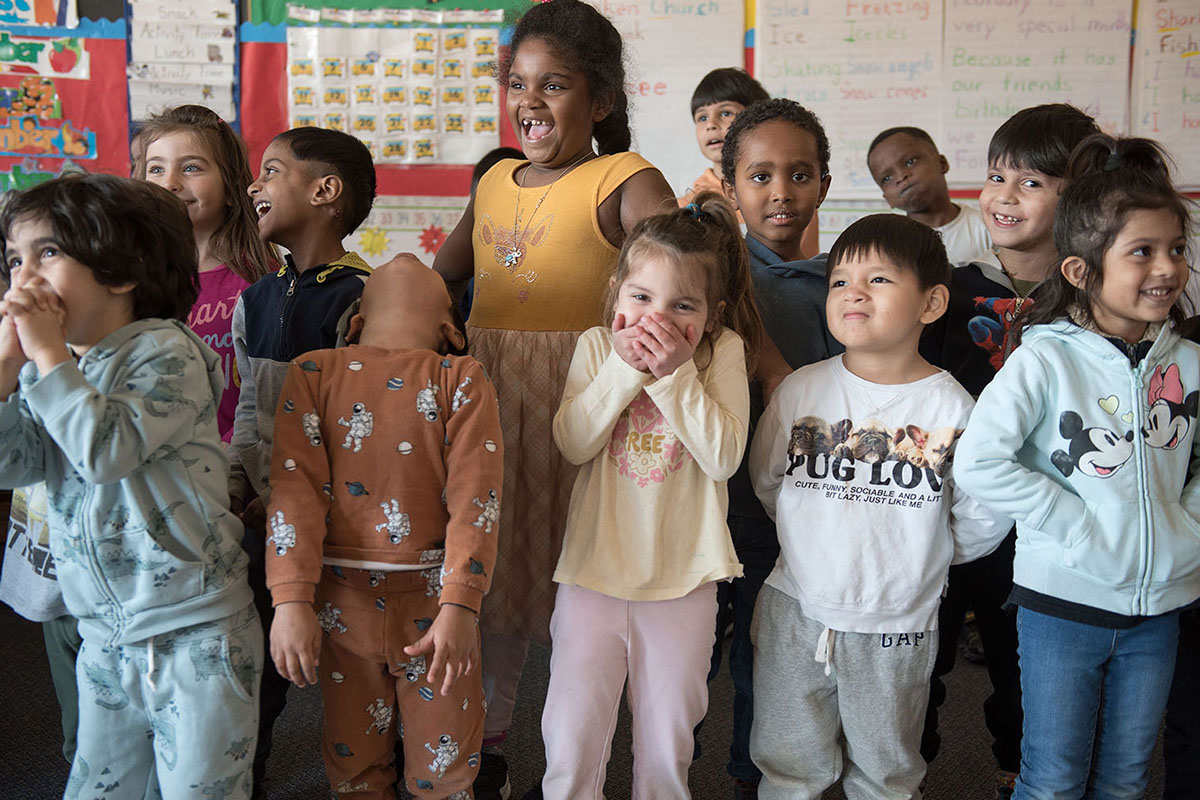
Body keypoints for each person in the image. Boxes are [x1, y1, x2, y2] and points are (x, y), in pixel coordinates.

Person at [424, 1, 676, 793]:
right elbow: (445, 277)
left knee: (585, 587)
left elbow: (685, 271)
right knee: (490, 578)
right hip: (492, 403)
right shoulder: (496, 179)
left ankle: (594, 754)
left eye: (554, 85)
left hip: (586, 405)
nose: (529, 101)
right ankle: (487, 746)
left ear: (599, 100)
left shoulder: (624, 178)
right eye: (518, 83)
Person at [955, 133, 1199, 800]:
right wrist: (1076, 525)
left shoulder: (1187, 361)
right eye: (1142, 252)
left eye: (1176, 249)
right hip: (1062, 604)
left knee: (1125, 778)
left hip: (1160, 609)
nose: (1168, 268)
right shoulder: (1044, 358)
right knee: (1055, 778)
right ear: (1081, 271)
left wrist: (1187, 528)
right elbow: (980, 461)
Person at [0, 174, 260, 799]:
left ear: (121, 274)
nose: (23, 278)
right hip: (105, 634)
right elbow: (15, 462)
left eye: (48, 254)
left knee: (199, 791)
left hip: (196, 634)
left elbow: (104, 449)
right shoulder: (56, 369)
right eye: (14, 259)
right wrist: (8, 371)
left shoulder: (166, 352)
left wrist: (45, 359)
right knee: (99, 788)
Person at [749, 213, 1011, 799]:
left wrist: (924, 556)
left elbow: (982, 514)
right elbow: (770, 482)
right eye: (840, 281)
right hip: (797, 606)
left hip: (898, 621)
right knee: (790, 764)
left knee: (886, 770)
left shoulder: (955, 409)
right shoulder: (801, 390)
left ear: (932, 302)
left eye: (879, 280)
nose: (853, 294)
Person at [542, 192, 763, 799]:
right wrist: (624, 369)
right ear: (617, 293)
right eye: (641, 298)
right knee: (570, 739)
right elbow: (574, 442)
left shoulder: (722, 353)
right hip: (592, 575)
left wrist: (673, 374)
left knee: (668, 749)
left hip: (685, 583)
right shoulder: (595, 347)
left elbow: (722, 455)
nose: (657, 320)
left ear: (712, 315)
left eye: (682, 306)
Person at [264, 257, 502, 800]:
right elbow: (478, 499)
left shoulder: (319, 372)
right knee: (432, 770)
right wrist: (291, 601)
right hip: (414, 606)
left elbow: (293, 495)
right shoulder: (458, 376)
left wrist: (291, 601)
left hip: (412, 605)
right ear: (450, 328)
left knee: (362, 770)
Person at [917, 103, 1100, 799]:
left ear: (1075, 197)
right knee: (921, 658)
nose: (1002, 196)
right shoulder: (951, 287)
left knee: (1023, 665)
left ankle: (1017, 771)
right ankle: (903, 772)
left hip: (1042, 519)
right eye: (996, 176)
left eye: (1030, 183)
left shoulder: (1087, 301)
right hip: (945, 508)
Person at [229, 125, 376, 798]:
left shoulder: (362, 299)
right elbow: (251, 416)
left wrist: (311, 499)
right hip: (267, 524)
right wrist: (240, 484)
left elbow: (364, 425)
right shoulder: (255, 300)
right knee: (257, 660)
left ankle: (376, 771)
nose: (254, 184)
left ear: (324, 191)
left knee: (361, 661)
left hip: (344, 527)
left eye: (271, 170)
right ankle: (244, 770)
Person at [704, 96, 838, 799]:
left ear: (824, 180)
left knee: (772, 664)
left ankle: (750, 782)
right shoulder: (710, 275)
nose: (781, 192)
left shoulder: (844, 287)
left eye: (799, 173)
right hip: (700, 514)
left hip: (790, 522)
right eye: (759, 176)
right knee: (687, 668)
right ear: (730, 187)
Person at [135, 104, 277, 442]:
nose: (169, 183)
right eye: (156, 169)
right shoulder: (128, 278)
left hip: (230, 469)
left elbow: (267, 397)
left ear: (230, 188)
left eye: (191, 168)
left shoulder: (261, 279)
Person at [679, 69, 819, 259]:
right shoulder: (689, 205)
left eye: (726, 113)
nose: (711, 124)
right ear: (731, 191)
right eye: (702, 117)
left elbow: (805, 264)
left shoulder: (797, 200)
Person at [866, 126, 991, 266]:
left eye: (910, 162)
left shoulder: (988, 228)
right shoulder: (888, 248)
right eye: (887, 178)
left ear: (942, 163)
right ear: (887, 198)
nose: (901, 176)